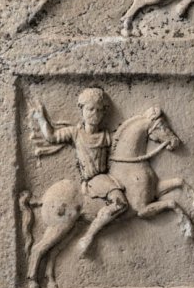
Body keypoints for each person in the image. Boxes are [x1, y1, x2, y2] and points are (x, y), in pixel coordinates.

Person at [32, 87, 128, 256]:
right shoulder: (75, 133)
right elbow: (52, 137)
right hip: (94, 180)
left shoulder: (106, 136)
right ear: (81, 109)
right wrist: (41, 118)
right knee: (120, 203)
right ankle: (89, 237)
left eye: (99, 110)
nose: (94, 114)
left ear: (104, 112)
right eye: (90, 109)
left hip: (105, 178)